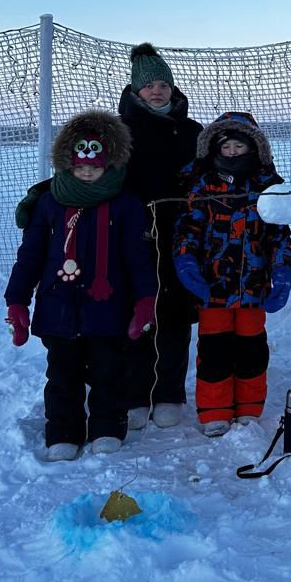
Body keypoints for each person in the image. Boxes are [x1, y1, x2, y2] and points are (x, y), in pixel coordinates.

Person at [4, 110, 157, 460]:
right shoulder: (50, 202)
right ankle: (63, 432)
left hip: (109, 309)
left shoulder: (126, 204)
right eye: (80, 166)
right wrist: (17, 301)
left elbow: (139, 259)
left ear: (110, 164)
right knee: (62, 376)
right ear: (67, 164)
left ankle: (107, 426)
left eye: (95, 166)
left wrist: (145, 301)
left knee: (108, 374)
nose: (87, 172)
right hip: (59, 308)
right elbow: (30, 256)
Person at [172, 113, 291, 436]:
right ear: (215, 148)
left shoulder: (268, 187)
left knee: (252, 350)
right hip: (212, 289)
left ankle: (250, 409)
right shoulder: (201, 184)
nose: (233, 152)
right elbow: (188, 230)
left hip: (253, 289)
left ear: (254, 148)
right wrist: (185, 263)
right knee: (214, 351)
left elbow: (279, 236)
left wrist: (282, 270)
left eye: (240, 145)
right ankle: (214, 410)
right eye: (227, 146)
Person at [118, 42, 203, 431]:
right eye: (148, 85)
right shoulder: (121, 133)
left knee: (176, 313)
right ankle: (135, 394)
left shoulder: (192, 132)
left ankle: (169, 392)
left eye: (163, 85)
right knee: (136, 311)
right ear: (136, 91)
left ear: (173, 89)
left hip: (182, 234)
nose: (156, 91)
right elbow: (91, 173)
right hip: (135, 233)